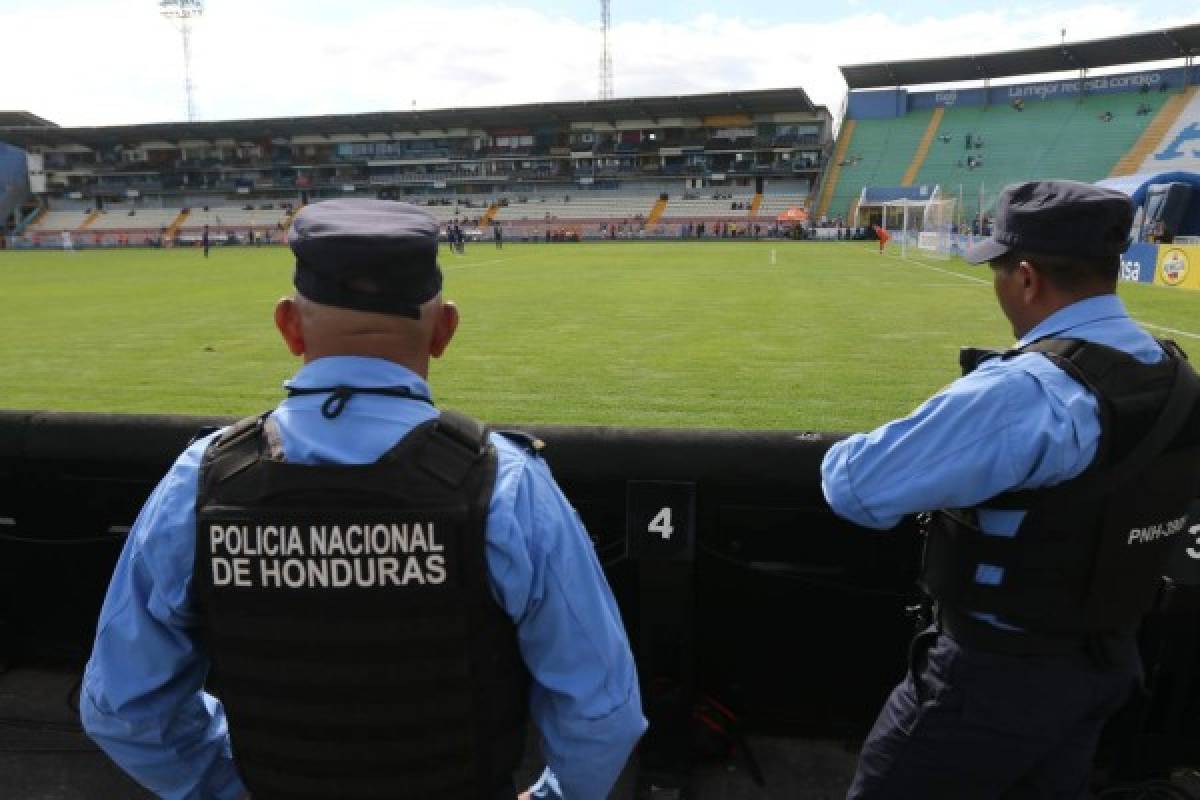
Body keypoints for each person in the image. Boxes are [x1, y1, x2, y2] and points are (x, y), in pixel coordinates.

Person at [80, 199, 646, 800]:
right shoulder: (506, 484)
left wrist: (225, 786)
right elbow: (603, 713)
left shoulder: (200, 480)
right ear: (445, 329)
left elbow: (123, 709)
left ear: (289, 326)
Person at [822, 180, 1200, 799]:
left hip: (994, 679)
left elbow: (856, 486)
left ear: (1025, 278)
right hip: (1108, 661)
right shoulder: (1174, 374)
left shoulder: (1025, 393)